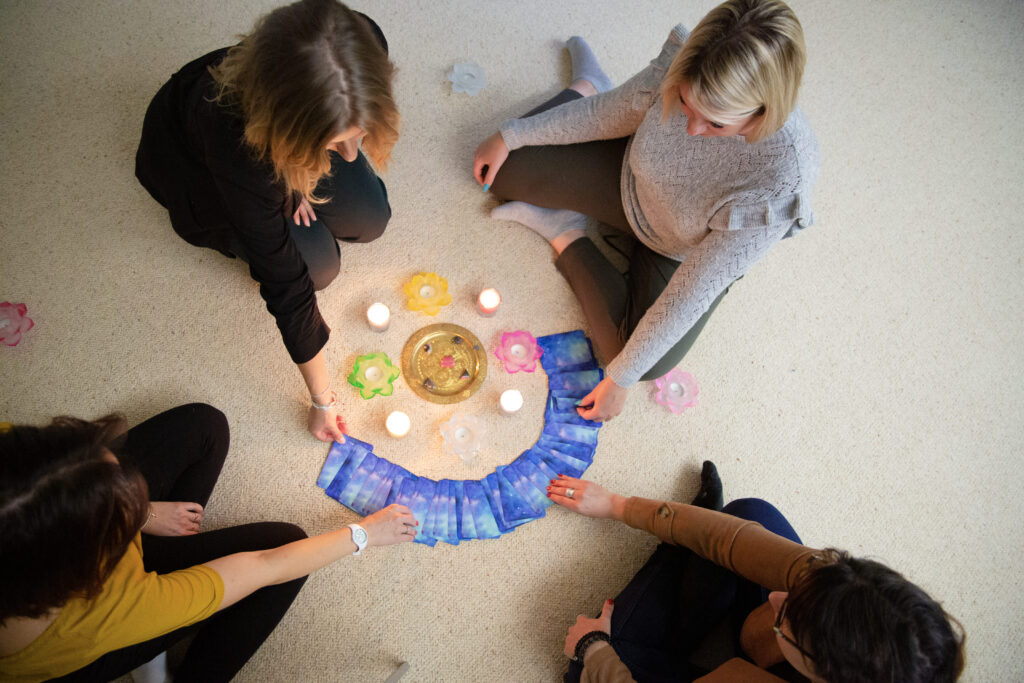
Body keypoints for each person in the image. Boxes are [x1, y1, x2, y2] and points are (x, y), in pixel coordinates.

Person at [473, 0, 820, 422]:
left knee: (635, 362)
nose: (691, 130)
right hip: (628, 181)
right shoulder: (687, 64)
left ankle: (565, 231)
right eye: (686, 106)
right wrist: (511, 134)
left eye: (715, 124)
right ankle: (588, 83)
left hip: (679, 250)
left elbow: (695, 289)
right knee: (502, 167)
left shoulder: (780, 178)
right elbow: (615, 113)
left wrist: (618, 380)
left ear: (763, 111)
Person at [135, 0, 399, 443]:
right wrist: (323, 400)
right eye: (339, 143)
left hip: (284, 139)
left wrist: (303, 179)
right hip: (207, 174)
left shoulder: (360, 41)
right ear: (292, 135)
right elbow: (287, 289)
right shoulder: (239, 151)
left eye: (358, 137)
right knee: (319, 269)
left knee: (372, 217)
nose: (353, 156)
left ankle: (298, 178)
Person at [0, 403, 417, 682]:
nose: (135, 481)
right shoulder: (102, 612)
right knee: (286, 547)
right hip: (93, 647)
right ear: (90, 564)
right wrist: (364, 533)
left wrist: (143, 513)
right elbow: (266, 564)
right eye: (119, 513)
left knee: (204, 424)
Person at [545, 463, 965, 682]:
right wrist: (619, 506)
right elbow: (735, 539)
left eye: (787, 617)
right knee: (750, 514)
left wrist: (596, 650)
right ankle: (670, 630)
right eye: (797, 587)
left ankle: (654, 644)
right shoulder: (841, 587)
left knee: (586, 665)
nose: (777, 595)